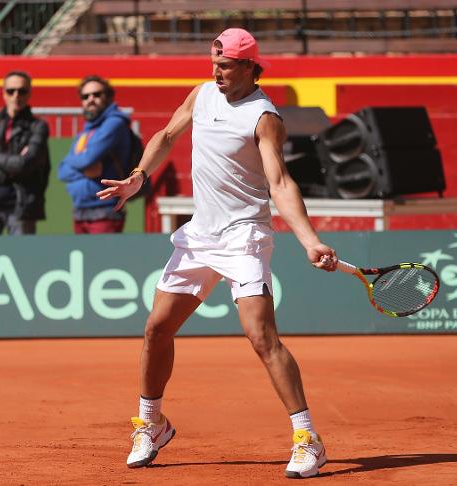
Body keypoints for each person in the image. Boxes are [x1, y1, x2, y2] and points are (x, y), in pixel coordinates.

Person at [97, 28, 339, 479]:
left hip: (244, 235)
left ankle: (308, 438)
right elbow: (168, 135)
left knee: (261, 336)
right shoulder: (203, 94)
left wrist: (309, 240)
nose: (217, 72)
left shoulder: (264, 117)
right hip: (200, 236)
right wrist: (138, 177)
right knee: (156, 329)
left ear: (249, 66)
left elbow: (280, 184)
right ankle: (152, 423)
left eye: (225, 65)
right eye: (214, 63)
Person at [0, 70, 50, 235]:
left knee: (23, 259)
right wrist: (3, 175)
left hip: (21, 206)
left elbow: (24, 164)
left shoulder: (38, 126)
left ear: (29, 94)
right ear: (4, 94)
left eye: (22, 91)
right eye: (11, 91)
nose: (16, 96)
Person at [58, 75, 132, 234]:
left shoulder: (114, 123)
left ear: (109, 97)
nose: (91, 99)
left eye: (97, 94)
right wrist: (83, 169)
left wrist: (75, 163)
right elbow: (62, 170)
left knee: (103, 259)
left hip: (105, 211)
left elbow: (87, 159)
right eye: (85, 96)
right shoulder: (86, 130)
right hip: (79, 211)